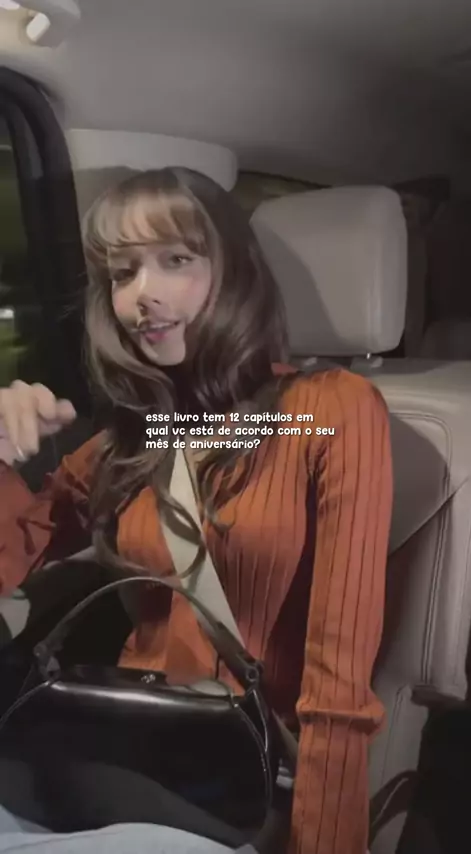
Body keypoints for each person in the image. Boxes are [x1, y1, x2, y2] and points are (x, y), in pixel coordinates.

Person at [0, 167, 392, 854]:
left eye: (175, 260)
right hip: (120, 752)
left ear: (233, 273)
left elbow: (338, 695)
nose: (142, 295)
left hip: (239, 785)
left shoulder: (329, 411)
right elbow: (10, 565)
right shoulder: (134, 436)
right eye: (122, 273)